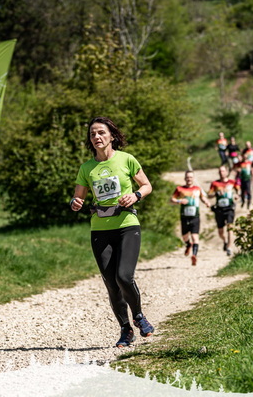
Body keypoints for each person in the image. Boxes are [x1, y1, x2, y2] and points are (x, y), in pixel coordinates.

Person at [70, 116, 154, 348]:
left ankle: (139, 316)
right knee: (111, 283)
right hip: (100, 230)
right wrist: (75, 202)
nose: (96, 137)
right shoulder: (87, 168)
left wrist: (136, 195)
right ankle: (126, 330)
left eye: (101, 132)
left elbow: (146, 185)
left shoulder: (126, 159)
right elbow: (78, 197)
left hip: (127, 224)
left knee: (124, 276)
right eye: (92, 134)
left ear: (112, 136)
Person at [170, 170, 211, 266]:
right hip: (184, 216)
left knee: (194, 236)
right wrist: (180, 201)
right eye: (187, 177)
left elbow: (202, 197)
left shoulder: (197, 189)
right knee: (185, 237)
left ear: (193, 178)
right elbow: (172, 199)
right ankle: (188, 244)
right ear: (185, 178)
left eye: (191, 177)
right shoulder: (179, 189)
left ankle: (194, 255)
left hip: (195, 216)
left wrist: (206, 202)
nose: (189, 179)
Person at [208, 165, 240, 256]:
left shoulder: (232, 182)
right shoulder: (214, 183)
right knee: (220, 231)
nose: (221, 173)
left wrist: (237, 195)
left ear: (227, 172)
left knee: (230, 227)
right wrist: (217, 193)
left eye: (223, 171)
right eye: (220, 171)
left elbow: (238, 190)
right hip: (219, 209)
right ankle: (225, 240)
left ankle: (229, 247)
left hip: (229, 208)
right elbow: (209, 195)